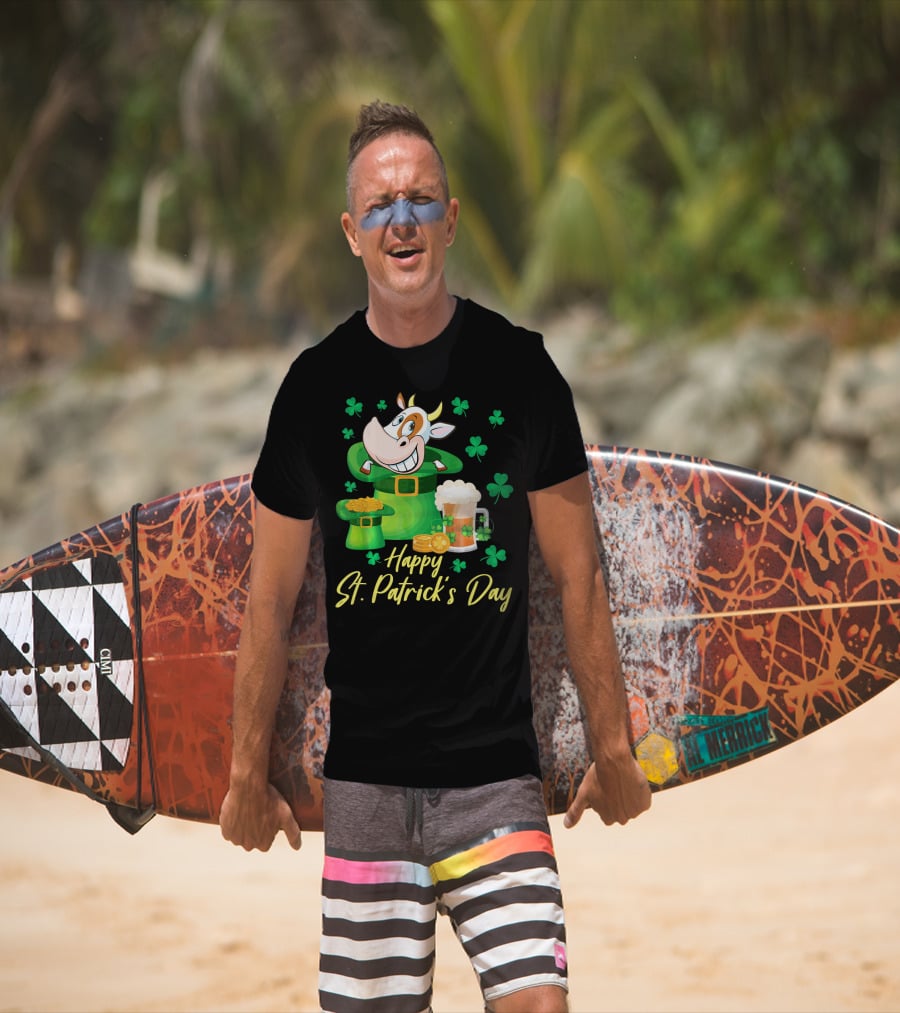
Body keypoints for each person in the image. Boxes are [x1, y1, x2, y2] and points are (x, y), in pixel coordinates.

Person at [220, 100, 651, 1013]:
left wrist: (612, 747)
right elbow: (269, 602)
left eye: (421, 200)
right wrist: (242, 772)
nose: (402, 220)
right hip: (367, 786)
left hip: (496, 780)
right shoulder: (313, 390)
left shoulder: (522, 372)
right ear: (351, 233)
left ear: (451, 219)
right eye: (380, 206)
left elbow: (579, 576)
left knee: (540, 1003)